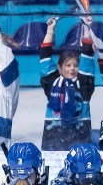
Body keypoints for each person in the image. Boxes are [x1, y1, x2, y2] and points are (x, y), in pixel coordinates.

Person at [40, 16, 98, 150]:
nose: (72, 68)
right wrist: (50, 30)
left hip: (80, 139)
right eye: (68, 65)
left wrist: (86, 27)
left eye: (75, 65)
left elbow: (87, 55)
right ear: (60, 68)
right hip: (53, 140)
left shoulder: (84, 84)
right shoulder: (52, 83)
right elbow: (45, 57)